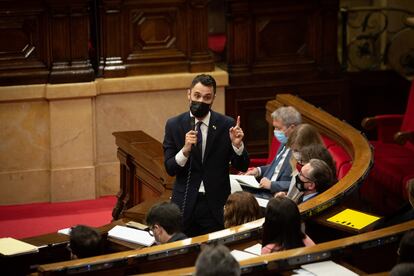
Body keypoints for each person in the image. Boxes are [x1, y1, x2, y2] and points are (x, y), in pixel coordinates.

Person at [163, 74, 249, 237]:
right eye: (197, 96)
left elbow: (242, 166)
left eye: (206, 97)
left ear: (213, 98)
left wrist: (237, 145)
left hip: (216, 205)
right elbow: (170, 168)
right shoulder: (174, 124)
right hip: (185, 204)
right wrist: (185, 151)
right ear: (188, 94)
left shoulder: (226, 124)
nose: (201, 101)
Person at [245, 106, 302, 197]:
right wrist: (258, 171)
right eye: (274, 128)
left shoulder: (301, 150)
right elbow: (276, 167)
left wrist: (272, 185)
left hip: (276, 196)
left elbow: (301, 183)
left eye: (278, 128)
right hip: (262, 190)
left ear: (292, 128)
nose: (275, 132)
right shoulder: (284, 142)